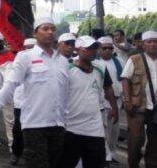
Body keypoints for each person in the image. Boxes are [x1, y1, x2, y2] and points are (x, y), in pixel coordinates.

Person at [0, 17, 68, 168]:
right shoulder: (25, 57)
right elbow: (10, 85)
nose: (50, 32)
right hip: (34, 125)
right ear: (35, 33)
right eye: (45, 29)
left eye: (52, 29)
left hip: (58, 125)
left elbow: (64, 94)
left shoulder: (62, 61)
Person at [59, 36, 118, 168]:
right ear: (78, 49)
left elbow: (108, 87)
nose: (93, 51)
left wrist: (114, 108)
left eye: (94, 48)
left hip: (94, 129)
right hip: (71, 128)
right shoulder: (66, 68)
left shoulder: (100, 67)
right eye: (88, 48)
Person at [120, 30, 157, 168]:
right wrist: (127, 101)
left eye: (155, 41)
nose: (153, 44)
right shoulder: (134, 59)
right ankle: (133, 164)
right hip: (137, 106)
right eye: (149, 42)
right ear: (143, 44)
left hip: (155, 108)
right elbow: (125, 80)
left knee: (154, 142)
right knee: (136, 141)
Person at [10, 38, 37, 166]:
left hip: (36, 103)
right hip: (20, 102)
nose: (29, 50)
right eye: (27, 48)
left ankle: (30, 156)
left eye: (32, 47)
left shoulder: (42, 62)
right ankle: (16, 153)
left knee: (33, 132)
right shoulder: (18, 60)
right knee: (17, 130)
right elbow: (11, 82)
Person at [98, 36, 123, 166]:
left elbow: (124, 79)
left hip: (117, 101)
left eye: (110, 48)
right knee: (104, 131)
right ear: (99, 49)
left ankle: (111, 154)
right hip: (101, 102)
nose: (108, 50)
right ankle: (105, 157)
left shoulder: (119, 61)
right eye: (104, 48)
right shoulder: (95, 63)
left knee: (114, 131)